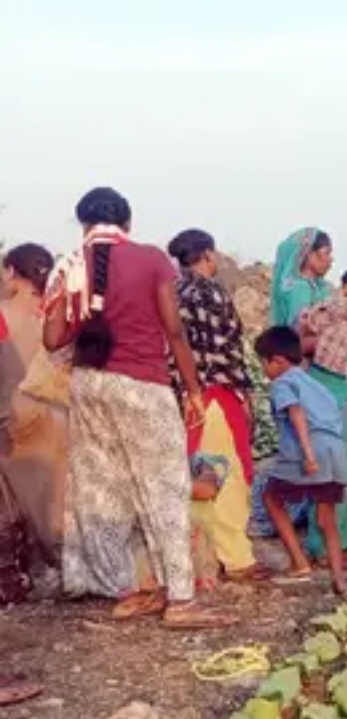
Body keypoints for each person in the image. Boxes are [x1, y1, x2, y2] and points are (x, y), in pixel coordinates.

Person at [41, 187, 229, 630]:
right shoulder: (150, 260)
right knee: (163, 488)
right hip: (142, 385)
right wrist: (194, 390)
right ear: (127, 222)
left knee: (107, 491)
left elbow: (52, 340)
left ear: (83, 224)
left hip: (90, 387)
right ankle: (180, 600)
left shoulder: (70, 265)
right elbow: (174, 330)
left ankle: (132, 590)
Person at [270, 227, 347, 557]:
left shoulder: (325, 288)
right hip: (321, 382)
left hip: (343, 379)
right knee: (333, 458)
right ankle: (329, 537)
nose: (330, 259)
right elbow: (296, 342)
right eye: (325, 253)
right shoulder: (296, 290)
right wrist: (337, 337)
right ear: (307, 255)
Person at [166, 230, 259, 582]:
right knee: (226, 473)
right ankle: (236, 558)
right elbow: (228, 350)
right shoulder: (211, 291)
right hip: (215, 392)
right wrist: (244, 393)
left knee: (194, 470)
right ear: (207, 254)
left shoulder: (172, 291)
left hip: (184, 395)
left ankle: (204, 556)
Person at [253, 326, 347, 593]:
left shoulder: (283, 383)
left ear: (278, 361)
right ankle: (339, 579)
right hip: (336, 451)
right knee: (326, 518)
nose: (263, 370)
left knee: (271, 498)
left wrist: (308, 455)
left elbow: (296, 415)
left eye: (263, 363)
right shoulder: (315, 384)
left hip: (308, 450)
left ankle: (299, 563)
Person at [0, 243, 67, 571]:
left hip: (12, 415)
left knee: (17, 500)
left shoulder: (2, 314)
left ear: (12, 272)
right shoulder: (58, 315)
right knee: (56, 498)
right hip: (60, 413)